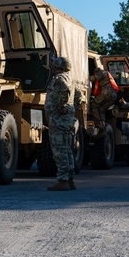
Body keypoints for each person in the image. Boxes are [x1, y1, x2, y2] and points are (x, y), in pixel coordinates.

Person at [45, 56, 77, 191]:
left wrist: (60, 107)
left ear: (58, 67)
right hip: (66, 119)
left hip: (59, 120)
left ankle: (63, 181)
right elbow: (78, 95)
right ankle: (70, 180)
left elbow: (65, 91)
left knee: (59, 151)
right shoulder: (69, 78)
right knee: (67, 149)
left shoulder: (59, 79)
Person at [88, 60, 119, 131]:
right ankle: (103, 123)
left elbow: (96, 78)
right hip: (113, 95)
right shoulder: (106, 73)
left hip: (107, 93)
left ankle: (98, 121)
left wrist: (87, 77)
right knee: (102, 109)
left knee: (94, 104)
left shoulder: (101, 72)